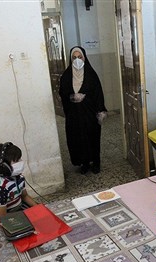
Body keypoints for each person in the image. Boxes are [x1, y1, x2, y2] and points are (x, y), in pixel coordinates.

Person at [59, 46, 107, 174]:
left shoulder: (92, 75)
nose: (77, 60)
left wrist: (101, 110)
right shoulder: (66, 76)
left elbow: (98, 94)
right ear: (70, 59)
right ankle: (84, 163)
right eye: (74, 57)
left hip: (90, 114)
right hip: (74, 115)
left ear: (84, 57)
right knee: (78, 139)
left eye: (80, 57)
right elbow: (62, 93)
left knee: (93, 138)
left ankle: (96, 163)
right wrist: (71, 96)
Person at [0, 142, 37, 218]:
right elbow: (3, 217)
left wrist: (38, 207)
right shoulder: (0, 190)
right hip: (9, 216)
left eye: (19, 158)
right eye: (17, 160)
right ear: (4, 167)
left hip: (20, 207)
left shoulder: (19, 178)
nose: (21, 162)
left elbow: (25, 196)